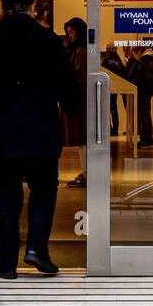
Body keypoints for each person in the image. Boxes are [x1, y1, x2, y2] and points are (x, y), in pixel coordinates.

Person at [0, 0, 78, 279]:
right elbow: (67, 86)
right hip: (40, 133)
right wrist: (72, 111)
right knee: (44, 189)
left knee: (4, 196)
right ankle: (36, 249)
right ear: (32, 7)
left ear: (3, 6)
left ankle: (6, 264)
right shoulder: (48, 41)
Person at [62, 17, 88, 186]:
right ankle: (86, 172)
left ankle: (86, 173)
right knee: (82, 140)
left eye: (71, 32)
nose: (69, 36)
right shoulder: (81, 50)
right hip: (81, 100)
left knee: (82, 139)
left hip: (80, 101)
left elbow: (79, 77)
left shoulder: (80, 52)